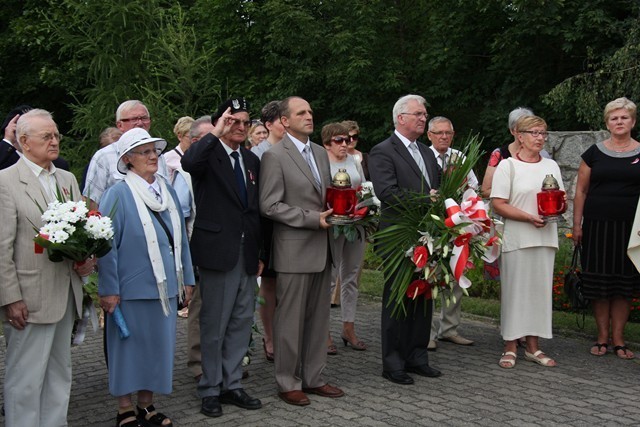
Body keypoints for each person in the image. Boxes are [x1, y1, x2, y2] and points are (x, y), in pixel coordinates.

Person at [0, 109, 95, 426]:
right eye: (47, 136)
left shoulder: (66, 178)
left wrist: (87, 258)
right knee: (25, 380)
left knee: (59, 376)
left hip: (66, 294)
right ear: (24, 141)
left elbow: (80, 231)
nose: (55, 141)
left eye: (56, 135)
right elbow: (3, 247)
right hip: (29, 299)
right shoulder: (6, 182)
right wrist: (10, 298)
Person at [98, 127, 195, 427]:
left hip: (166, 287)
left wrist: (188, 279)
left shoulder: (166, 190)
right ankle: (125, 409)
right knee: (128, 351)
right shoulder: (117, 194)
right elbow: (105, 247)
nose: (153, 156)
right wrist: (109, 290)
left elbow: (181, 241)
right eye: (145, 152)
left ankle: (146, 404)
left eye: (154, 150)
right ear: (128, 159)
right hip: (130, 289)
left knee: (157, 349)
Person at [259, 96, 344, 406]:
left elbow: (323, 196)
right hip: (294, 249)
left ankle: (314, 377)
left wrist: (345, 211)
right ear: (284, 121)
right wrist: (311, 219)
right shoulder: (274, 156)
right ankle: (287, 381)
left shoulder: (321, 153)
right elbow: (269, 205)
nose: (309, 116)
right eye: (301, 113)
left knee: (318, 319)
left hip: (324, 248)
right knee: (290, 320)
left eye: (310, 111)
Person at [182, 98, 264, 418]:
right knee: (213, 324)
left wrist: (260, 252)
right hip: (217, 252)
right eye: (234, 121)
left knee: (241, 322)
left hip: (246, 252)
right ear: (221, 123)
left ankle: (232, 384)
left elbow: (255, 210)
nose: (241, 127)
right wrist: (215, 133)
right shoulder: (209, 152)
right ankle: (210, 388)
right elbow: (189, 164)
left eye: (245, 122)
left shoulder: (251, 160)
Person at [368, 94, 442, 385]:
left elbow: (438, 188)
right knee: (398, 298)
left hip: (428, 237)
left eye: (424, 114)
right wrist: (426, 199)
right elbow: (387, 192)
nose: (423, 118)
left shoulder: (425, 151)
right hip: (398, 236)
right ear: (400, 118)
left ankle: (417, 357)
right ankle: (393, 362)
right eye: (418, 114)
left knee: (422, 297)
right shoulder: (383, 151)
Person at [491, 115, 562, 369]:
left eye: (543, 133)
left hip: (544, 237)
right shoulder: (507, 166)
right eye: (534, 133)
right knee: (515, 293)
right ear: (519, 136)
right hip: (517, 238)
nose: (540, 138)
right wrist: (528, 217)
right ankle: (510, 345)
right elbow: (498, 203)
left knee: (539, 294)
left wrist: (552, 212)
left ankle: (533, 347)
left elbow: (558, 199)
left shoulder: (551, 166)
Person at [572, 97, 640, 359]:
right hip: (597, 226)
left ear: (633, 121)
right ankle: (601, 338)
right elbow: (580, 190)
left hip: (632, 230)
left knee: (624, 284)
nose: (619, 122)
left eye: (624, 117)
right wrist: (577, 224)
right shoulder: (594, 153)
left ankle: (619, 339)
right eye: (614, 118)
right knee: (599, 282)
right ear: (607, 123)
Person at [426, 116, 477, 350]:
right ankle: (427, 333)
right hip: (430, 223)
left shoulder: (460, 157)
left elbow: (472, 188)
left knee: (457, 273)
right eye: (439, 133)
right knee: (429, 276)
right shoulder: (422, 156)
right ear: (429, 135)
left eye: (448, 133)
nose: (444, 137)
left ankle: (449, 328)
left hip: (457, 222)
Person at [322, 122, 367, 353]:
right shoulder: (321, 163)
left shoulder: (354, 160)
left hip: (356, 224)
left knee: (351, 276)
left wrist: (367, 208)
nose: (345, 144)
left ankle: (348, 327)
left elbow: (364, 188)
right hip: (332, 226)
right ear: (327, 144)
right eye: (339, 140)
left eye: (348, 140)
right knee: (329, 278)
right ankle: (324, 332)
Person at [179, 115, 215, 381]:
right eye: (209, 138)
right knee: (200, 308)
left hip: (222, 248)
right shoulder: (185, 169)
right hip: (197, 247)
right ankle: (198, 364)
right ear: (194, 142)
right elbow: (181, 215)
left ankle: (220, 362)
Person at [83, 99, 168, 210]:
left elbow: (167, 193)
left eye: (144, 118)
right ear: (120, 125)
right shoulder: (104, 157)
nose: (140, 123)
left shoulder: (158, 156)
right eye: (133, 119)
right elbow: (91, 202)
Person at [251, 100, 286, 362]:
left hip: (290, 225)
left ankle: (288, 335)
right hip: (268, 226)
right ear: (269, 124)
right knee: (270, 284)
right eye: (281, 120)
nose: (287, 124)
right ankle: (270, 336)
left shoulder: (294, 149)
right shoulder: (258, 154)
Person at [481, 107, 552, 198]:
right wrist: (516, 193)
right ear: (512, 130)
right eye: (520, 129)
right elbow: (485, 191)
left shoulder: (543, 156)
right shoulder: (499, 154)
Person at [1, 105, 71, 171]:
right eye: (46, 137)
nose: (55, 142)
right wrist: (7, 140)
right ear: (23, 139)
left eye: (56, 136)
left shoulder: (59, 165)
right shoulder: (5, 162)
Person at [164, 116, 195, 181]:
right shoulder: (167, 158)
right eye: (190, 137)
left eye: (195, 137)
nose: (193, 141)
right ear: (180, 137)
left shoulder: (198, 155)